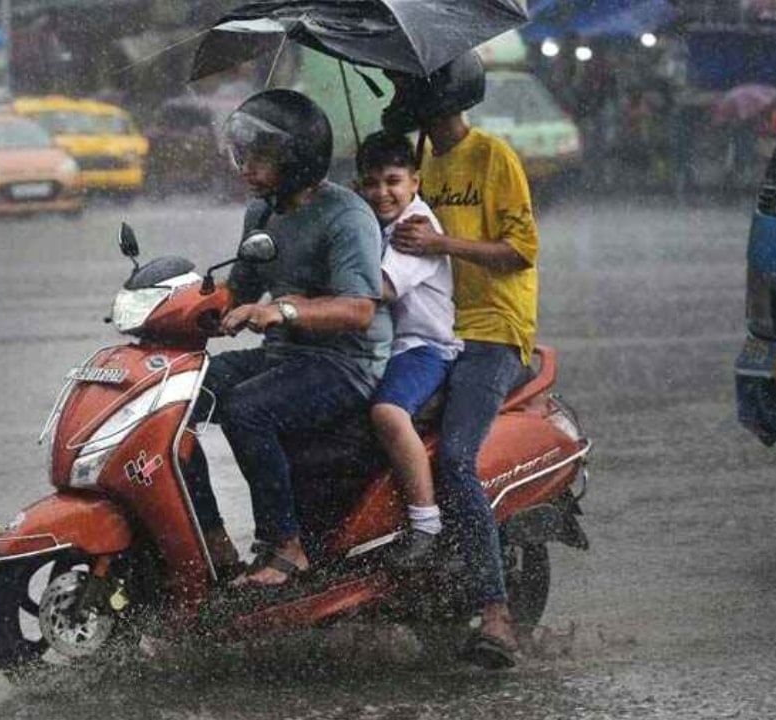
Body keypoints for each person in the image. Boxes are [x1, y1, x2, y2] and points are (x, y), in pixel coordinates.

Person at [185, 89, 390, 589]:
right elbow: (240, 290)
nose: (246, 167)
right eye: (246, 154)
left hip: (346, 362)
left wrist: (282, 310)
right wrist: (171, 306)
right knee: (178, 397)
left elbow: (360, 310)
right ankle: (210, 541)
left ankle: (285, 545)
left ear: (298, 162)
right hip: (287, 353)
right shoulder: (262, 213)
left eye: (262, 157)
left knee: (248, 408)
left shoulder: (348, 217)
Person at [384, 50, 540, 669]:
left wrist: (441, 240)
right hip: (430, 330)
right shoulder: (417, 162)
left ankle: (498, 613)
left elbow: (520, 251)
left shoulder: (493, 157)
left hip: (492, 331)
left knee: (454, 457)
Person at [353, 131, 460, 565]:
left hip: (424, 347)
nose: (383, 193)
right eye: (372, 183)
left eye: (393, 181)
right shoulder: (373, 221)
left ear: (415, 181)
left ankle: (426, 522)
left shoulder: (415, 227)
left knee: (388, 413)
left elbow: (380, 287)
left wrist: (311, 299)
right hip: (385, 347)